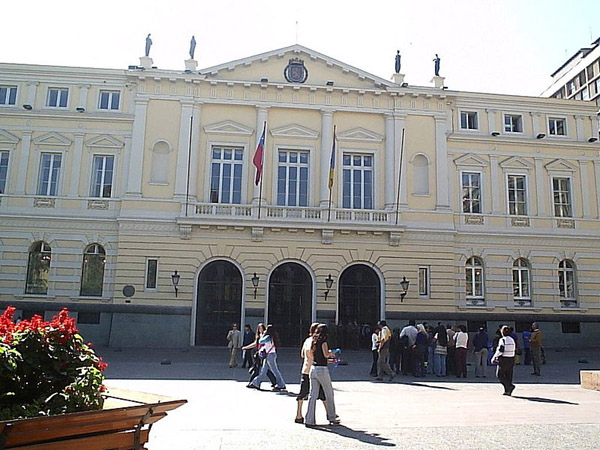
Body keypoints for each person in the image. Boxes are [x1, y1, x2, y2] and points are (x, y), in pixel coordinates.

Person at [305, 324, 339, 427]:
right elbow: (326, 354)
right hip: (322, 369)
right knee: (329, 393)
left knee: (312, 396)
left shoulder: (314, 340)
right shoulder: (323, 341)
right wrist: (332, 353)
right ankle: (332, 417)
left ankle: (309, 420)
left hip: (313, 368)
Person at [296, 323, 326, 424]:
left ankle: (298, 414)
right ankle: (330, 414)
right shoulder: (315, 342)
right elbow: (315, 356)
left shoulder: (306, 341)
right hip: (313, 369)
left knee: (302, 393)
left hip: (305, 369)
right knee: (322, 393)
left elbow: (301, 354)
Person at [248, 325, 286, 391]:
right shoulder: (273, 336)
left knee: (275, 371)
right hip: (270, 355)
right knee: (263, 371)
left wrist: (263, 334)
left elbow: (260, 341)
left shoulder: (268, 337)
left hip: (270, 355)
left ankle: (281, 384)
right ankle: (255, 383)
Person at [243, 323, 276, 388]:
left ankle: (253, 382)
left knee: (260, 370)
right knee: (264, 370)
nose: (261, 330)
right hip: (259, 354)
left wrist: (246, 347)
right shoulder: (259, 336)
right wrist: (246, 347)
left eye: (262, 329)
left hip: (263, 354)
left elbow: (257, 344)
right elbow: (255, 344)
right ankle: (273, 381)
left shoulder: (265, 337)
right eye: (259, 329)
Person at [491, 325, 516, 396]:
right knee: (509, 375)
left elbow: (500, 350)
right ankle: (507, 390)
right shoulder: (512, 339)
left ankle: (509, 386)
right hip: (511, 358)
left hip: (504, 359)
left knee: (499, 374)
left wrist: (494, 357)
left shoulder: (502, 340)